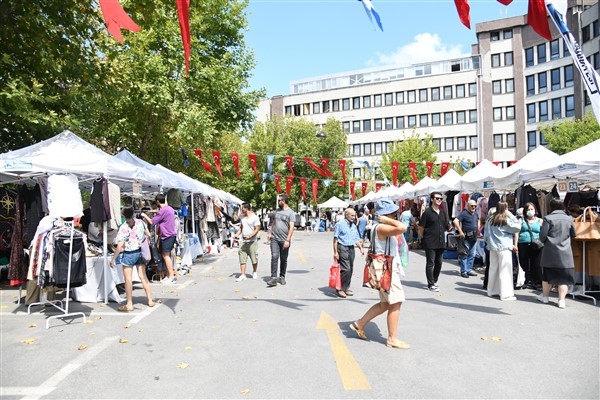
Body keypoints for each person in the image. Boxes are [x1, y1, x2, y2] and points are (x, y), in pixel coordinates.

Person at [349, 198, 410, 349]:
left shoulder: (376, 226)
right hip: (387, 270)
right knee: (396, 301)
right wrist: (389, 221)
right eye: (393, 214)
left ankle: (360, 323)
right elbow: (403, 228)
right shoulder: (382, 227)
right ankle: (392, 339)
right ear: (385, 215)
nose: (395, 216)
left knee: (385, 304)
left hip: (382, 269)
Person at [110, 206, 154, 311]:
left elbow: (120, 245)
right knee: (143, 277)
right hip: (140, 252)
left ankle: (129, 303)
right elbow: (148, 234)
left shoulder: (123, 227)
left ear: (123, 215)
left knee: (128, 280)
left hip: (129, 254)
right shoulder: (140, 222)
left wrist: (113, 259)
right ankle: (150, 300)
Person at [537, 199, 576, 309]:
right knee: (563, 279)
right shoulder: (569, 219)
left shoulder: (548, 219)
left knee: (547, 277)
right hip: (565, 253)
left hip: (550, 252)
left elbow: (542, 236)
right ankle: (561, 301)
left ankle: (545, 297)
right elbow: (574, 234)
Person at [484, 201, 522, 301]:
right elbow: (517, 227)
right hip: (504, 247)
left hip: (492, 247)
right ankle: (506, 294)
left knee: (493, 269)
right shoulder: (505, 219)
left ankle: (491, 290)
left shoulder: (490, 219)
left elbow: (486, 234)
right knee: (505, 271)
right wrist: (511, 215)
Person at [141, 193, 177, 284]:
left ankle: (171, 277)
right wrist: (153, 211)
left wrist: (144, 215)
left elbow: (152, 222)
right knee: (166, 256)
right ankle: (169, 275)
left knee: (166, 256)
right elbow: (161, 212)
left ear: (157, 201)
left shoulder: (162, 211)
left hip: (167, 235)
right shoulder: (169, 208)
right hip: (170, 235)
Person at [418, 192, 451, 292]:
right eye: (437, 198)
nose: (439, 200)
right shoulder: (427, 212)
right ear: (432, 199)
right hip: (430, 241)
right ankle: (430, 284)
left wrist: (449, 227)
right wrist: (425, 237)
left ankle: (435, 280)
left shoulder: (443, 212)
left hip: (441, 241)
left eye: (441, 198)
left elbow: (446, 225)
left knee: (439, 262)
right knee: (430, 263)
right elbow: (421, 227)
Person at [333, 208, 364, 298]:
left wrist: (360, 248)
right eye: (352, 215)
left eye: (354, 215)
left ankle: (346, 287)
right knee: (345, 268)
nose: (354, 217)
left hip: (351, 248)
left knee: (350, 268)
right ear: (346, 215)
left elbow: (356, 238)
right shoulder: (339, 224)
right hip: (342, 247)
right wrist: (335, 252)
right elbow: (335, 239)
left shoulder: (353, 225)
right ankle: (340, 289)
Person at [266, 194, 295, 287]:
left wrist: (288, 240)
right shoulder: (277, 211)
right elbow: (274, 222)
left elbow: (291, 227)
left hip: (284, 239)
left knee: (283, 259)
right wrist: (270, 232)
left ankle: (282, 276)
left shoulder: (291, 213)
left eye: (279, 200)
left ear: (284, 201)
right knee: (274, 256)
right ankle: (273, 278)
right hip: (274, 238)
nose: (278, 202)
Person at [515, 202, 543, 290]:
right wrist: (515, 245)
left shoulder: (540, 221)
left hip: (536, 245)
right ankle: (526, 281)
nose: (530, 211)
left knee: (536, 263)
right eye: (528, 209)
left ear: (535, 210)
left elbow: (543, 233)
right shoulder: (521, 220)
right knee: (524, 263)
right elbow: (516, 233)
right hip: (523, 244)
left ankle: (536, 282)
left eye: (532, 209)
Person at [233, 203, 261, 282]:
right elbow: (241, 228)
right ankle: (243, 274)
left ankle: (254, 272)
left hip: (252, 241)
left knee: (254, 258)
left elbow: (257, 229)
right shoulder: (242, 218)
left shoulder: (255, 218)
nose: (241, 210)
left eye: (242, 208)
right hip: (243, 241)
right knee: (242, 257)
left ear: (246, 208)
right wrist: (236, 234)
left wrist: (250, 236)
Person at [453, 199, 480, 278]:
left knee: (472, 254)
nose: (474, 207)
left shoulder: (475, 214)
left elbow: (478, 220)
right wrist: (460, 231)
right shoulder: (464, 213)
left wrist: (478, 228)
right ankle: (464, 271)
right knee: (464, 254)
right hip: (466, 237)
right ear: (468, 206)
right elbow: (455, 221)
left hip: (474, 237)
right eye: (472, 206)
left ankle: (468, 270)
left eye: (475, 206)